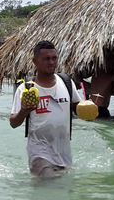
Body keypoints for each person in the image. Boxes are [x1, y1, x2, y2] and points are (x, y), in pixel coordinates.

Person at [9, 40, 81, 178]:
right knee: (50, 181)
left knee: (63, 189)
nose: (51, 62)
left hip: (63, 150)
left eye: (54, 58)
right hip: (39, 151)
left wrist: (88, 109)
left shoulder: (66, 83)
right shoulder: (26, 89)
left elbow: (76, 108)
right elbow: (13, 123)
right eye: (46, 59)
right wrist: (24, 111)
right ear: (35, 61)